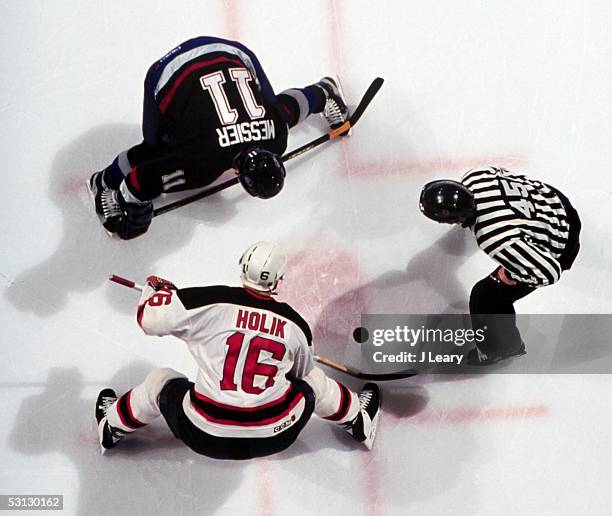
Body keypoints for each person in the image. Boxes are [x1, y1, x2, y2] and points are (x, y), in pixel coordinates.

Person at [95, 241, 381, 459]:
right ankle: (359, 421)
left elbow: (149, 320)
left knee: (160, 381)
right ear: (278, 280)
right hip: (276, 435)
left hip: (202, 434)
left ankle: (111, 426)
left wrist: (156, 294)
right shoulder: (295, 325)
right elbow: (301, 374)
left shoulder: (206, 302)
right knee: (316, 382)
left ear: (243, 266)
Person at [88, 36, 349, 239]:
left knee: (276, 111)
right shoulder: (199, 166)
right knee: (157, 145)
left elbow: (289, 111)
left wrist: (314, 97)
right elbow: (141, 179)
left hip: (229, 52)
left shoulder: (276, 135)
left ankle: (323, 92)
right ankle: (105, 181)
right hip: (169, 70)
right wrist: (132, 205)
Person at [419, 166, 581, 365]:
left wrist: (512, 275)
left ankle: (503, 348)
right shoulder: (476, 176)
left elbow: (549, 272)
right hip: (557, 204)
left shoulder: (494, 238)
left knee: (484, 296)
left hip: (562, 243)